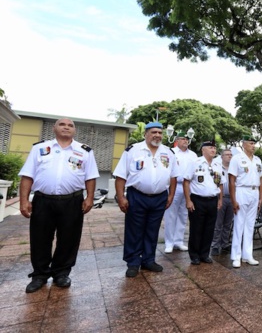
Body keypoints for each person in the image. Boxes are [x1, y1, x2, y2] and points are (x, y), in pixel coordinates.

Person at [18, 118, 100, 293]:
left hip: (72, 201)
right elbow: (27, 175)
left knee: (69, 238)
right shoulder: (40, 148)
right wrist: (24, 200)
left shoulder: (84, 151)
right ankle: (40, 275)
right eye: (62, 124)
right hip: (43, 200)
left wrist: (90, 198)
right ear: (54, 128)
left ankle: (61, 273)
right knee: (40, 238)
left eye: (70, 125)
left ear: (74, 131)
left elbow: (90, 177)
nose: (66, 127)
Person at [114, 121, 179, 278]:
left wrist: (170, 196)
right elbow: (121, 175)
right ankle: (133, 262)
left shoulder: (168, 152)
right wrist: (121, 197)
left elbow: (173, 176)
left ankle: (149, 260)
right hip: (137, 196)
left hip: (159, 198)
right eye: (153, 132)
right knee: (134, 230)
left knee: (152, 230)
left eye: (159, 133)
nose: (157, 135)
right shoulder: (133, 150)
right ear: (146, 134)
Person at [184, 139, 223, 265]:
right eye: (210, 147)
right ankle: (194, 255)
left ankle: (205, 254)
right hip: (197, 200)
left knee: (209, 229)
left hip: (212, 200)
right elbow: (186, 181)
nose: (213, 150)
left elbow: (221, 183)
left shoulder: (218, 164)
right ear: (203, 149)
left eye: (214, 148)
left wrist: (220, 199)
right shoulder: (195, 162)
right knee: (196, 228)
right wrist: (188, 200)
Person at [228, 135, 262, 268]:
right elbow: (231, 179)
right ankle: (236, 256)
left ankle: (247, 255)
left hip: (254, 192)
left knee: (250, 225)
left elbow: (261, 180)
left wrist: (261, 198)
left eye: (254, 143)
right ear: (243, 145)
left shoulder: (258, 160)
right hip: (241, 191)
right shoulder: (237, 158)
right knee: (239, 224)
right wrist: (233, 199)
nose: (253, 146)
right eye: (251, 143)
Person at [164, 133, 197, 253]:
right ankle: (169, 242)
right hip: (175, 185)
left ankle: (179, 241)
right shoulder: (171, 152)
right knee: (170, 215)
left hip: (188, 186)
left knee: (183, 215)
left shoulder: (193, 155)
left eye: (187, 139)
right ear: (177, 140)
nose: (185, 141)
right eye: (183, 139)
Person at [211, 149, 234, 256]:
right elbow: (216, 183)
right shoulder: (218, 168)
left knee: (228, 224)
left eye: (230, 155)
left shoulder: (234, 169)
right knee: (218, 223)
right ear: (222, 157)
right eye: (227, 155)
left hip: (232, 198)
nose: (229, 156)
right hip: (221, 197)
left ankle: (225, 244)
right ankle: (215, 245)